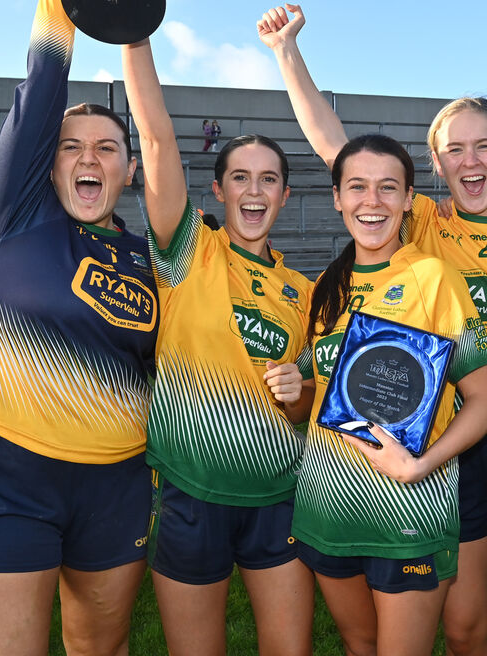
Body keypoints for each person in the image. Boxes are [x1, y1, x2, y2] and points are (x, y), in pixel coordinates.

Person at [258, 12, 487, 655]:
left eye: (482, 146)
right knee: (463, 631)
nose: (471, 160)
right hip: (444, 434)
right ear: (436, 165)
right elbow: (339, 152)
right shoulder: (424, 224)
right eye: (455, 149)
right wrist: (286, 53)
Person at [0, 0, 159, 656]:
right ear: (50, 160)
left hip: (118, 485)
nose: (89, 156)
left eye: (108, 146)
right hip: (9, 478)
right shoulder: (15, 219)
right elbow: (42, 82)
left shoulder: (147, 260)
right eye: (71, 146)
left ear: (128, 171)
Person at [122, 37, 316, 656]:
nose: (254, 191)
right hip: (190, 495)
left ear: (285, 195)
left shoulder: (306, 293)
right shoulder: (189, 252)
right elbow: (155, 140)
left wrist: (300, 391)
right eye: (240, 178)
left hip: (280, 501)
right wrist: (136, 30)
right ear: (217, 191)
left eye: (268, 180)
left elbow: (316, 406)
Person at [291, 133, 487, 656]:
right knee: (360, 646)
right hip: (327, 512)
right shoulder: (325, 289)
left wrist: (419, 465)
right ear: (337, 197)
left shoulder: (434, 278)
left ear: (409, 198)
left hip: (409, 512)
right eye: (357, 187)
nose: (372, 201)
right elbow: (318, 401)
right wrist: (299, 387)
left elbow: (485, 400)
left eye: (388, 188)